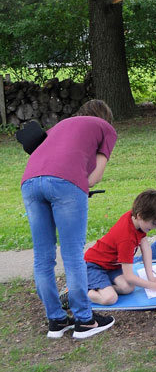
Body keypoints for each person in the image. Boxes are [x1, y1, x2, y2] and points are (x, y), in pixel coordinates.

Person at [21, 99, 118, 339]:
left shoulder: (59, 126)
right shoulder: (105, 128)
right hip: (65, 183)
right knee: (73, 255)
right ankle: (85, 321)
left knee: (43, 258)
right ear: (105, 117)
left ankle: (56, 321)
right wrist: (77, 189)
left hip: (30, 182)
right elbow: (95, 176)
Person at [82, 190, 156, 309]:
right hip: (93, 265)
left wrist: (151, 278)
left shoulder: (135, 219)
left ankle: (101, 287)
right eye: (154, 223)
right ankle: (77, 292)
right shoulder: (127, 239)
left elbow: (146, 248)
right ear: (140, 215)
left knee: (128, 288)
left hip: (111, 266)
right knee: (110, 298)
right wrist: (153, 286)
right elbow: (129, 275)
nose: (155, 227)